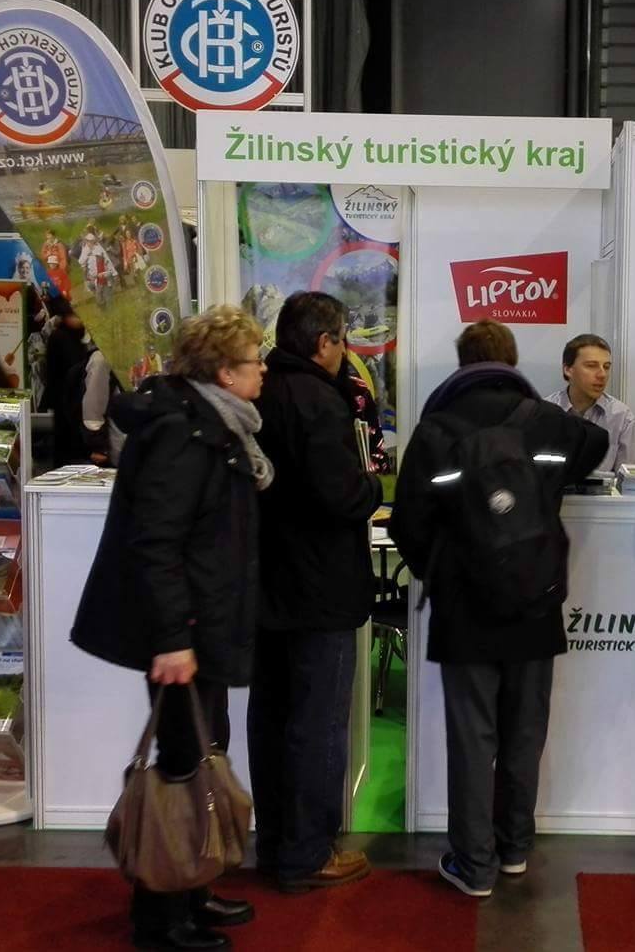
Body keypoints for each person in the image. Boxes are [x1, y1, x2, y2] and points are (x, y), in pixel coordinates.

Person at [70, 305, 272, 952]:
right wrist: (173, 640)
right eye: (255, 361)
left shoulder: (214, 424)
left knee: (201, 754)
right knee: (182, 763)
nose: (263, 371)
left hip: (203, 622)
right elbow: (156, 542)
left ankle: (191, 884)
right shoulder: (183, 433)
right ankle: (160, 917)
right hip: (183, 630)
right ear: (223, 372)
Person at [391, 320, 608, 898]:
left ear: (463, 364)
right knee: (524, 732)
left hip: (465, 608)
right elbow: (596, 445)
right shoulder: (544, 420)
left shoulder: (436, 428)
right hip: (535, 601)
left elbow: (407, 523)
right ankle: (514, 849)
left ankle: (473, 864)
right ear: (511, 361)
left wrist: (441, 569)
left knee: (473, 738)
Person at [249, 291, 383, 893]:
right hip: (319, 585)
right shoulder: (319, 401)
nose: (346, 350)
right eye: (342, 339)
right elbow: (341, 494)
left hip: (267, 581)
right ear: (325, 343)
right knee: (318, 720)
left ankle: (276, 842)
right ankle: (307, 852)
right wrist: (371, 488)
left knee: (272, 716)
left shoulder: (259, 392)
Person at [543, 333, 635, 473]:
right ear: (567, 369)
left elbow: (627, 479)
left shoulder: (622, 417)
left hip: (604, 488)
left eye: (606, 367)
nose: (602, 374)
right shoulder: (544, 413)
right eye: (591, 366)